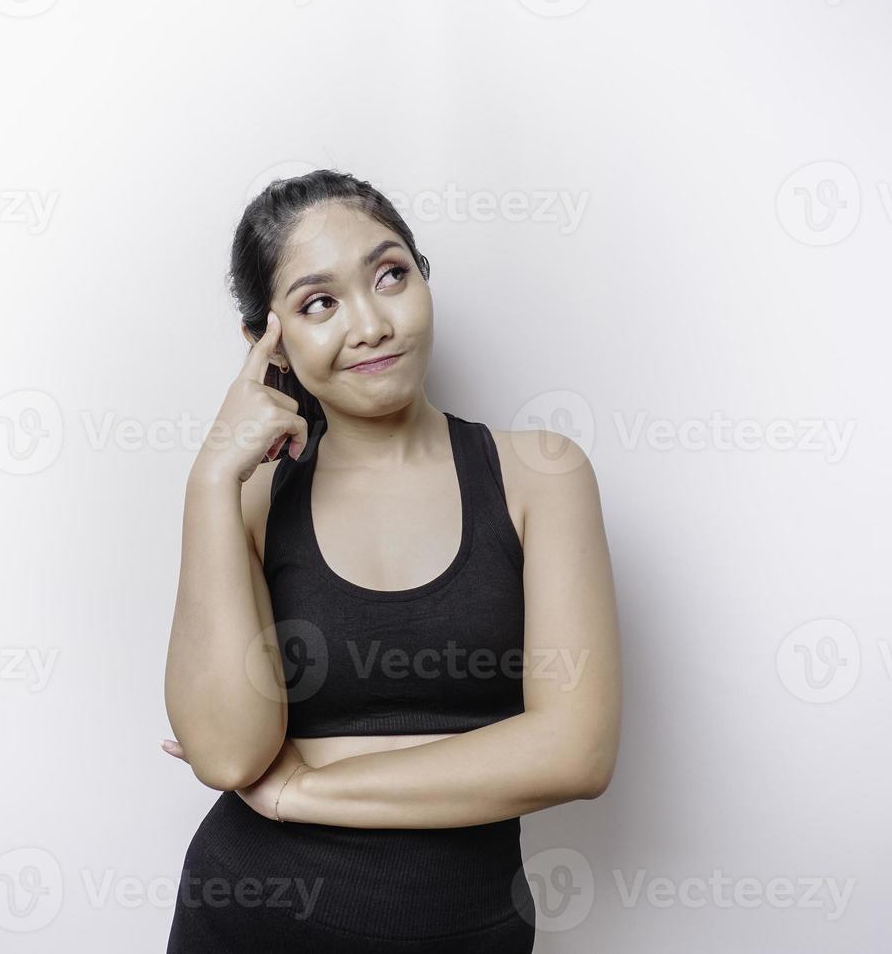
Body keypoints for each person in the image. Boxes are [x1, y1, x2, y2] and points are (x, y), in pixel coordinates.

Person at [162, 169, 621, 952]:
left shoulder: (541, 474)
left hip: (460, 928)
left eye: (389, 275)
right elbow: (229, 752)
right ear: (264, 341)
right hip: (246, 918)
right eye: (319, 303)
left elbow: (574, 751)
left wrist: (305, 790)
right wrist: (210, 480)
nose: (371, 323)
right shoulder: (252, 499)